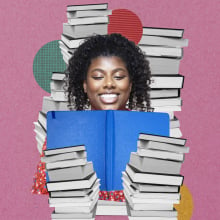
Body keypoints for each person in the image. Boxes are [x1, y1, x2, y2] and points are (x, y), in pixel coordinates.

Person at [32, 33, 152, 199]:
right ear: (85, 85)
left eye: (118, 76)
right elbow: (41, 200)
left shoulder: (153, 134)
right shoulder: (59, 134)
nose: (109, 84)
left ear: (130, 84)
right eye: (97, 77)